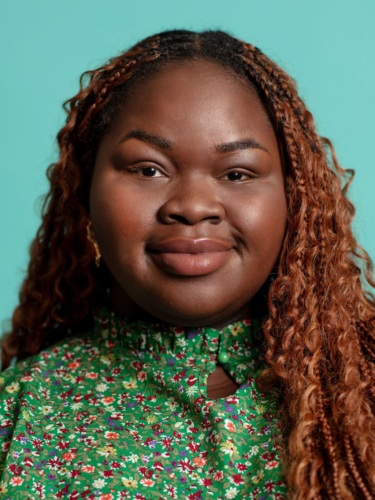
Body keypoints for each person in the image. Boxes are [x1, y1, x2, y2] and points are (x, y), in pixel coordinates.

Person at [0, 29, 374, 500]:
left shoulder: (364, 385)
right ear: (85, 192)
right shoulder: (17, 409)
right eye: (148, 169)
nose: (193, 206)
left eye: (237, 173)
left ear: (295, 201)